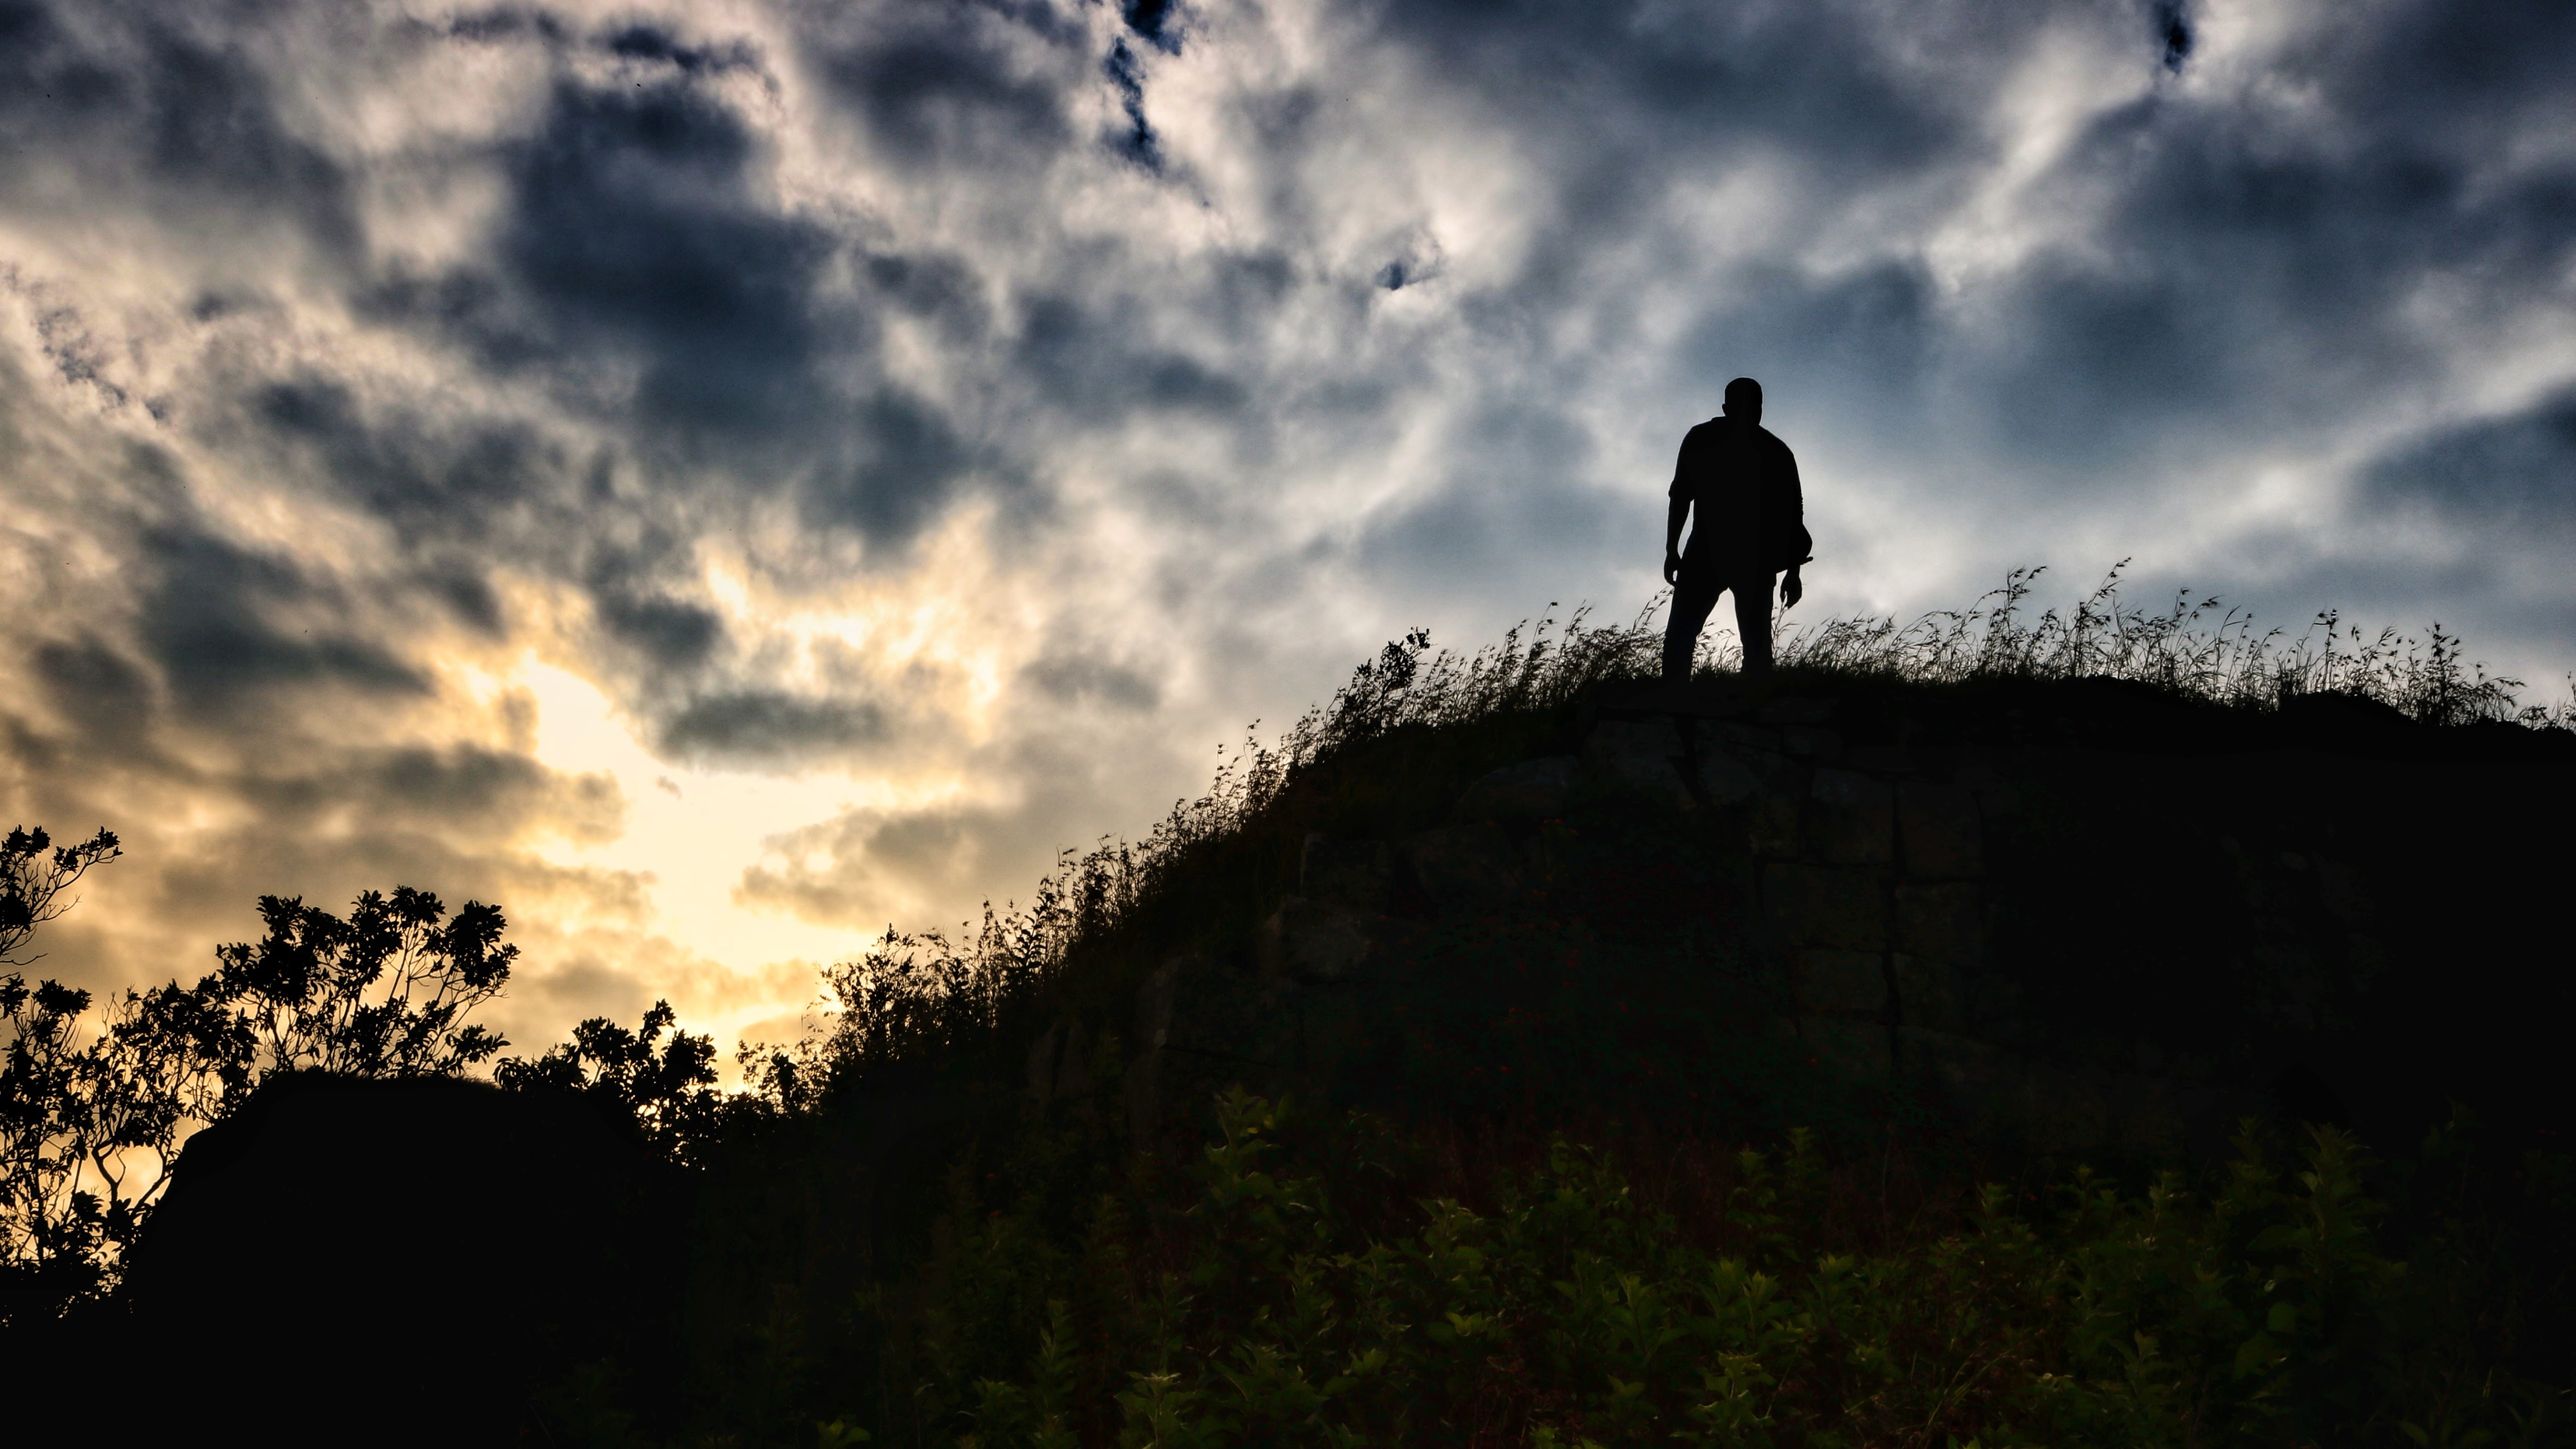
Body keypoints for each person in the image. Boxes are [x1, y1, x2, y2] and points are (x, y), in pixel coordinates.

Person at [1661, 377, 1809, 680]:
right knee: (1688, 637)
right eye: (1745, 406)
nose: (1748, 412)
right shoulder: (1773, 450)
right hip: (1722, 554)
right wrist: (1671, 548)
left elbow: (1794, 513)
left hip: (1741, 556)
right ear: (1727, 408)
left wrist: (1794, 571)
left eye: (1753, 406)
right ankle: (1679, 700)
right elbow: (1681, 495)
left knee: (1744, 643)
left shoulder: (1772, 451)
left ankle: (1687, 701)